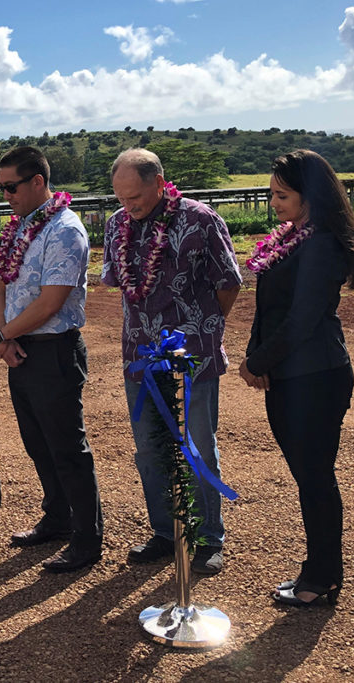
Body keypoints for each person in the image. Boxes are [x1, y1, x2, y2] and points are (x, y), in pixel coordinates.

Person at [101, 148, 242, 574]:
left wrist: (203, 330)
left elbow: (228, 283)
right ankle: (166, 532)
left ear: (159, 182)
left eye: (136, 196)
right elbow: (119, 284)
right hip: (140, 356)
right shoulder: (115, 226)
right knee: (149, 448)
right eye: (121, 197)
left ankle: (207, 538)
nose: (129, 205)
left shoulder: (201, 220)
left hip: (191, 357)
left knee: (197, 447)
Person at [239, 150, 354, 606]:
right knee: (308, 475)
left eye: (283, 194)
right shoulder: (297, 238)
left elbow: (304, 318)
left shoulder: (321, 243)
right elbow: (272, 311)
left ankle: (321, 578)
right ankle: (318, 572)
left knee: (315, 477)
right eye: (272, 193)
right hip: (293, 375)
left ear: (310, 195)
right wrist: (260, 356)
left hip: (314, 377)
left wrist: (256, 362)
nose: (274, 202)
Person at [0, 146, 103, 571]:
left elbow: (51, 301)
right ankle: (57, 519)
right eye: (1, 187)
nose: (6, 195)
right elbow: (2, 285)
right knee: (39, 443)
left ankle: (87, 539)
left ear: (38, 181)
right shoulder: (21, 227)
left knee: (67, 448)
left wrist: (3, 334)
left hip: (53, 349)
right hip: (22, 347)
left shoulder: (65, 230)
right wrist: (2, 337)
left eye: (12, 186)